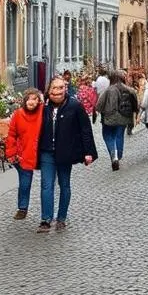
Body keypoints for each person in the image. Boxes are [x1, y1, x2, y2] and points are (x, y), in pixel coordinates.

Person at [37, 77, 97, 232]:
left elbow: (85, 129)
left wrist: (89, 152)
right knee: (46, 185)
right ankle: (45, 220)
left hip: (65, 151)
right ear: (49, 90)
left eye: (60, 88)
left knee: (64, 185)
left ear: (65, 89)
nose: (57, 91)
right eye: (54, 88)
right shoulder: (42, 107)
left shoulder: (75, 106)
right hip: (46, 151)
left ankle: (61, 218)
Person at [5, 88, 43, 219]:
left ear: (39, 101)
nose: (31, 102)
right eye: (29, 99)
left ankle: (48, 212)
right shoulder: (18, 114)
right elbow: (11, 135)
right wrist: (11, 153)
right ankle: (22, 208)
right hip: (23, 153)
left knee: (48, 183)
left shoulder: (43, 112)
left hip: (41, 153)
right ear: (25, 101)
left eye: (35, 99)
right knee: (25, 183)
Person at [95, 71, 139, 170]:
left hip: (109, 118)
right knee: (119, 136)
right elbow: (135, 104)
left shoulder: (108, 90)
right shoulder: (130, 90)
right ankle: (118, 156)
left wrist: (97, 112)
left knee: (107, 136)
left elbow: (99, 105)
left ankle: (114, 155)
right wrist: (135, 114)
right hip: (124, 117)